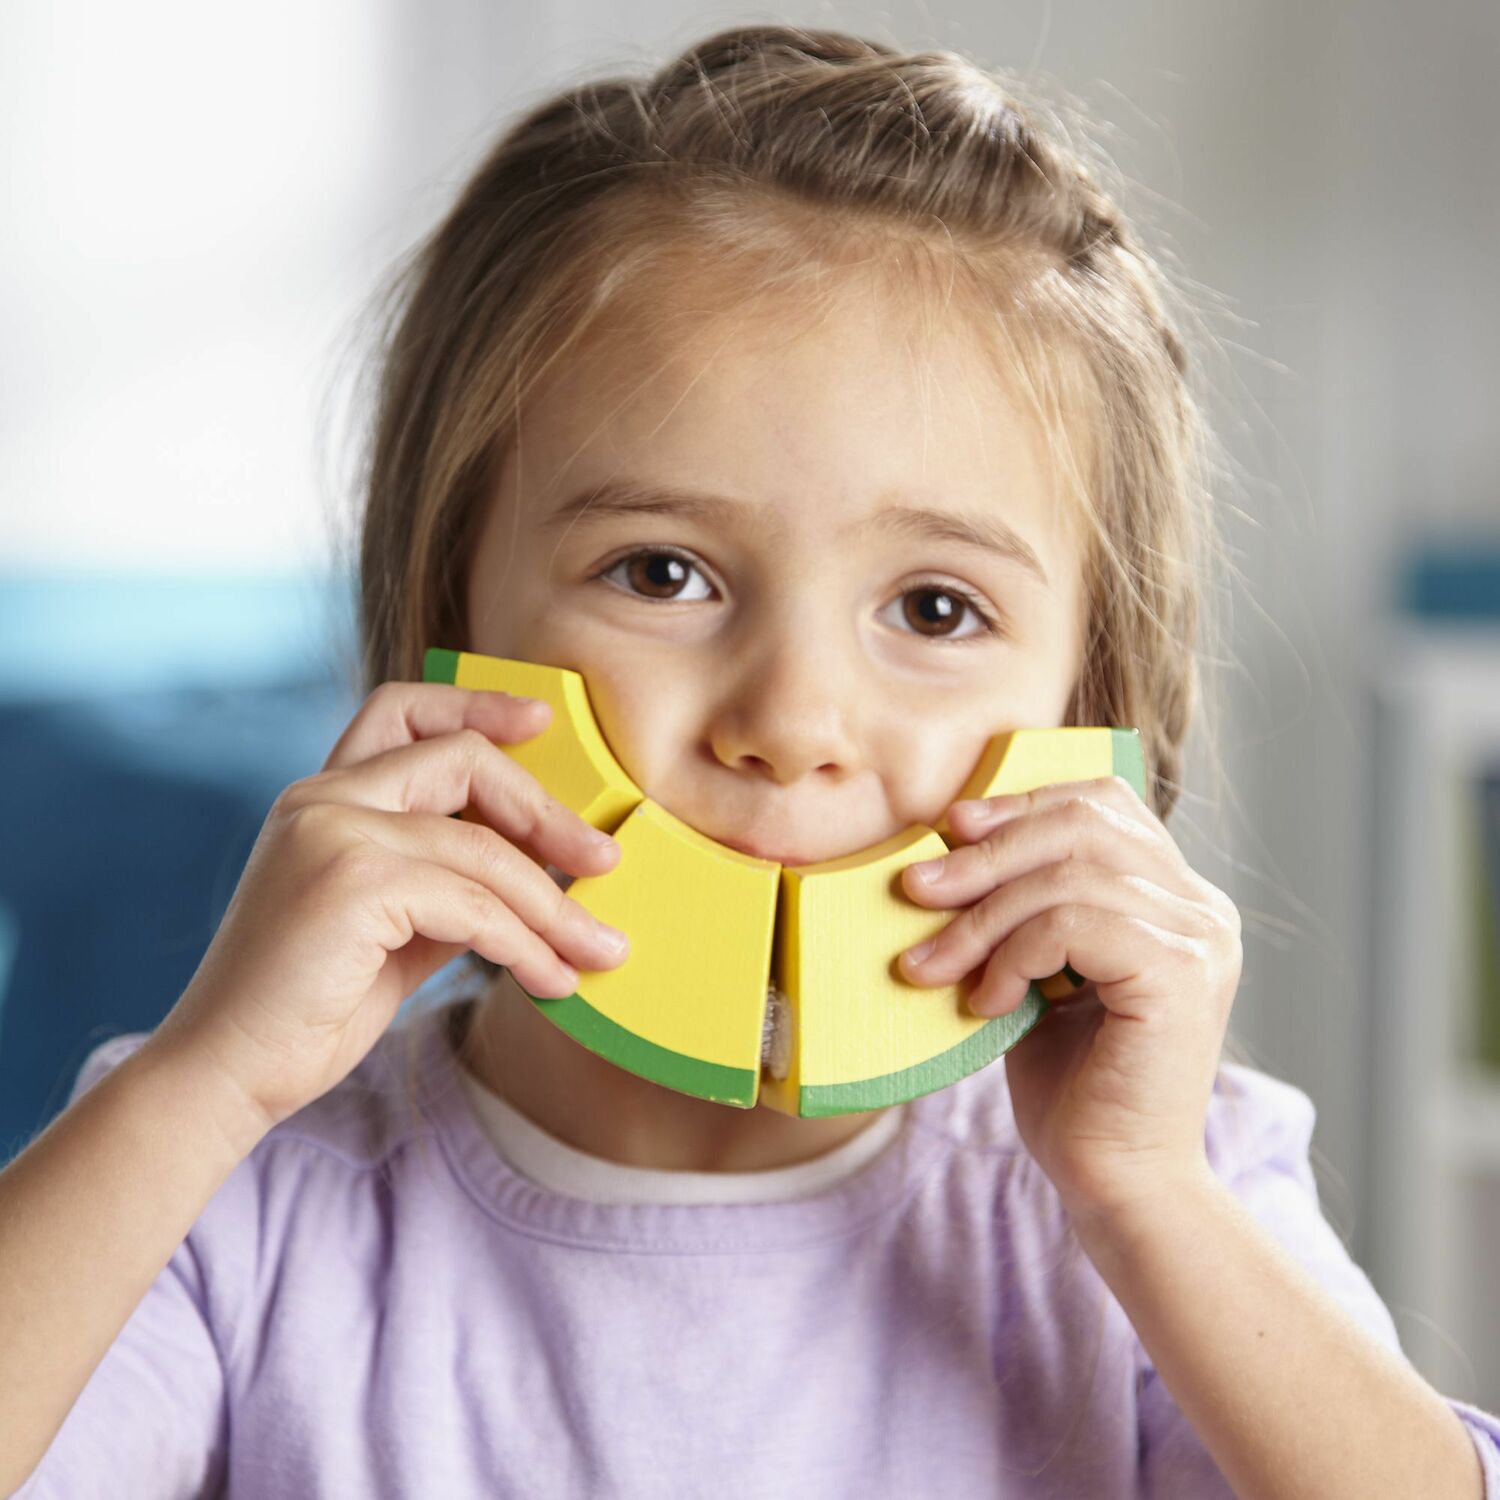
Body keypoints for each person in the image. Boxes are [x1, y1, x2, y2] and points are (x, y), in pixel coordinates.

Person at [3, 23, 1497, 1499]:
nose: (790, 722)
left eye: (934, 607)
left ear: (1093, 711)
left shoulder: (1165, 1187)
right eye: (660, 573)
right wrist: (201, 1086)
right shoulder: (232, 1195)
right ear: (442, 620)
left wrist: (1152, 1204)